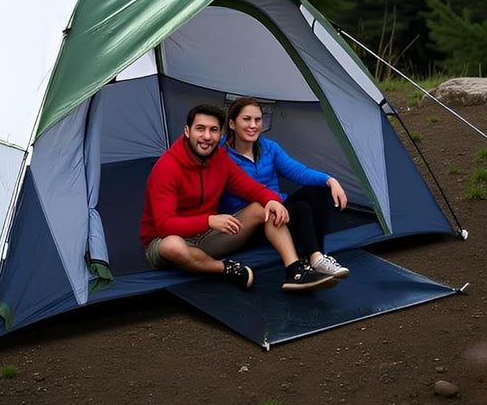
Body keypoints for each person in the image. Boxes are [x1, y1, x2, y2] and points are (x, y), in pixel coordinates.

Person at [140, 103, 336, 292]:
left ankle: (295, 271)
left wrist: (272, 200)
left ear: (221, 134)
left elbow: (252, 189)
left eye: (213, 130)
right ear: (187, 131)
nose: (207, 136)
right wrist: (209, 220)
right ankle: (225, 268)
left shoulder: (220, 159)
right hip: (167, 239)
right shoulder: (167, 167)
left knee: (263, 207)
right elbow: (164, 225)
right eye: (200, 129)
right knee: (173, 246)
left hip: (207, 236)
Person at [219, 95, 351, 279]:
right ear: (232, 123)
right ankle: (313, 257)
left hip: (277, 209)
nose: (253, 125)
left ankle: (317, 257)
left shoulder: (269, 147)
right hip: (251, 220)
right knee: (302, 208)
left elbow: (298, 172)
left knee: (315, 191)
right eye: (246, 119)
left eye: (258, 119)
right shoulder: (220, 153)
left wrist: (330, 180)